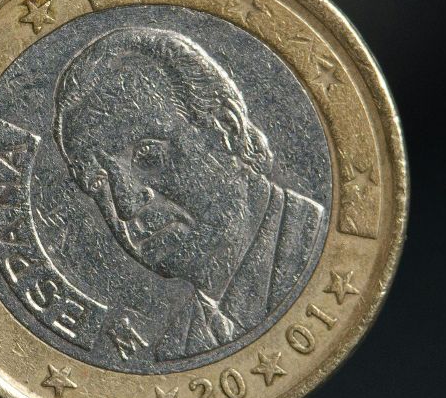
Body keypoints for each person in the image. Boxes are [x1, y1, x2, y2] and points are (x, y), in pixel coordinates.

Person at [53, 26, 323, 361]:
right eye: (96, 182)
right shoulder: (179, 351)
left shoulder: (317, 252)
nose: (123, 205)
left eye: (148, 156)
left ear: (227, 129)